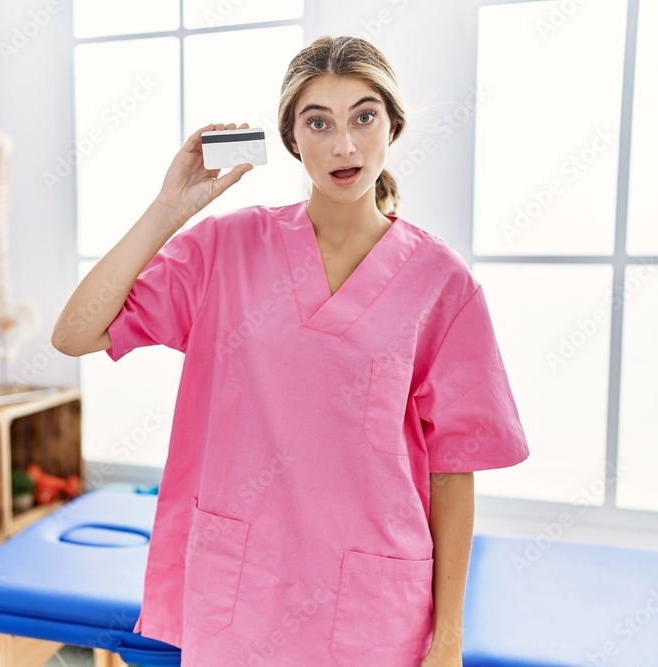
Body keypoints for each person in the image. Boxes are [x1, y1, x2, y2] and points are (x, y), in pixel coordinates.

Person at [53, 35, 529, 667]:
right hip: (245, 592)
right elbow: (76, 333)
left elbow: (452, 470)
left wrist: (449, 639)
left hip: (372, 607)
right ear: (291, 139)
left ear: (393, 125)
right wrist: (169, 210)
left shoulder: (442, 283)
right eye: (318, 122)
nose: (344, 144)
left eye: (364, 117)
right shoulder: (228, 248)